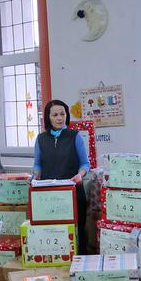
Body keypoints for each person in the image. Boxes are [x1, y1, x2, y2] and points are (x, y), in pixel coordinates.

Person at [32, 99, 90, 253]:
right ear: (48, 117)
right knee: (54, 231)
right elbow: (37, 164)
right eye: (55, 115)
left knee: (77, 233)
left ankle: (79, 265)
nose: (59, 118)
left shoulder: (75, 136)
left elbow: (85, 164)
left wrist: (79, 175)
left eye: (62, 114)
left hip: (73, 193)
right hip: (49, 194)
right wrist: (35, 176)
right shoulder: (41, 139)